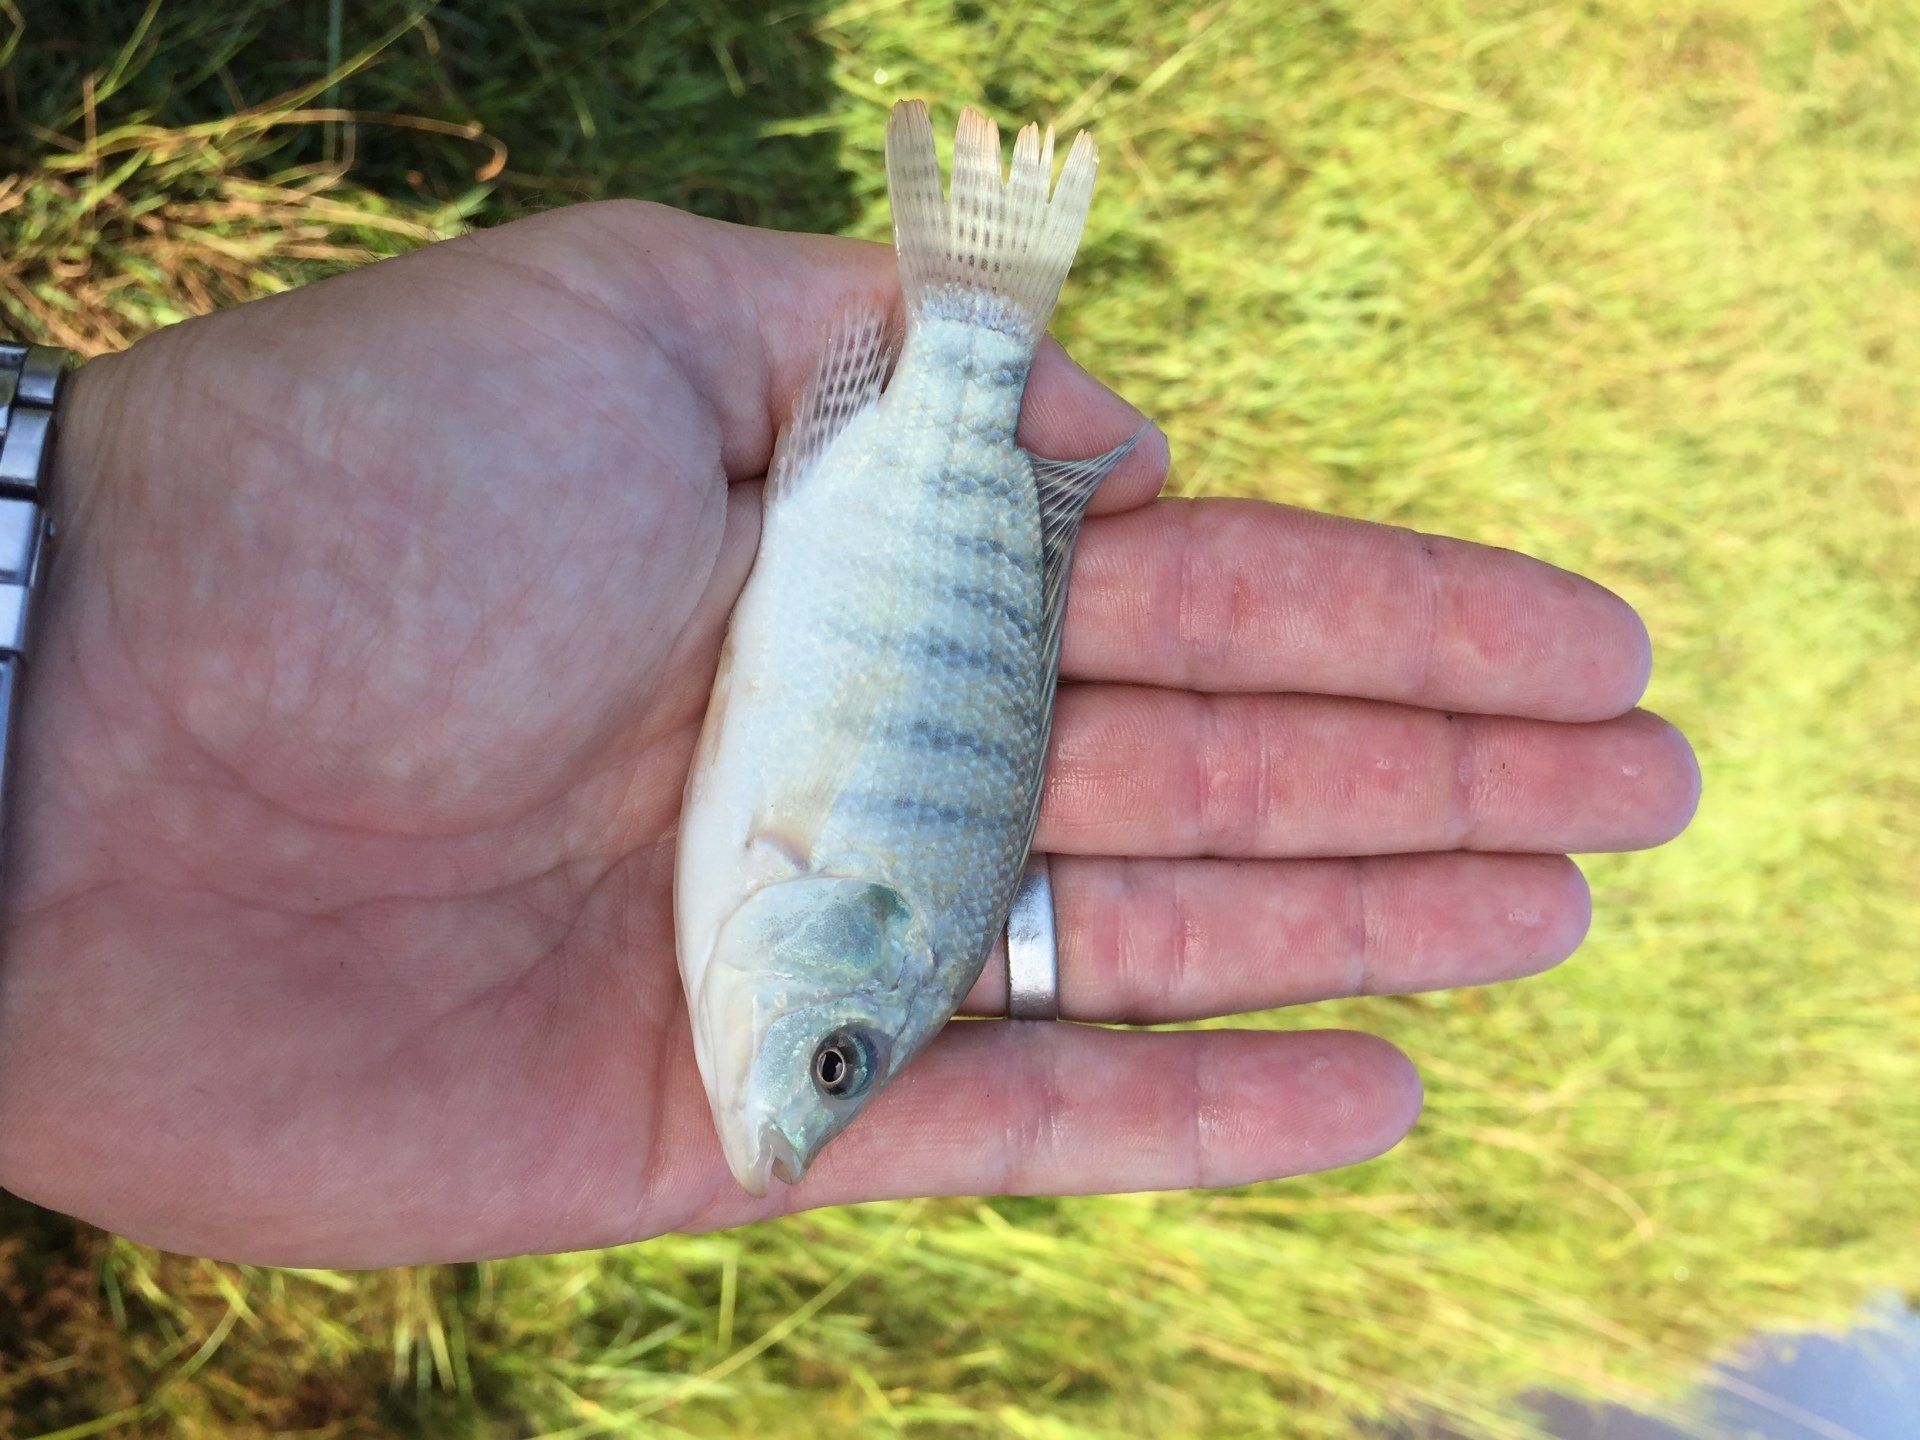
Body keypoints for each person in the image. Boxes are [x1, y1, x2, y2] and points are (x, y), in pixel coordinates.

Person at [0, 200, 1698, 1267]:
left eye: (834, 1075)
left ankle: (975, 320)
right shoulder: (785, 905)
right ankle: (975, 324)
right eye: (838, 1063)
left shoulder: (777, 926)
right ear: (859, 943)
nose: (788, 1127)